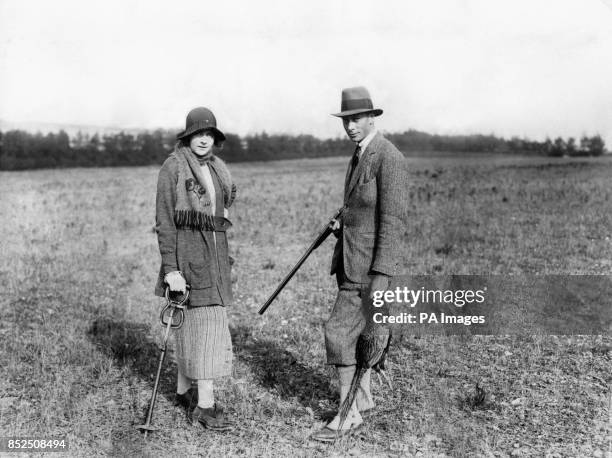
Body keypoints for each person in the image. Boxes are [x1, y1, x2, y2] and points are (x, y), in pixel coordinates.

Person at [311, 87, 405, 441]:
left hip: (370, 269)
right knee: (362, 333)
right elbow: (361, 207)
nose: (350, 126)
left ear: (371, 118)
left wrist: (382, 275)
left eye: (356, 119)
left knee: (338, 331)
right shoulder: (360, 154)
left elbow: (392, 222)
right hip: (350, 260)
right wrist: (342, 222)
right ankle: (362, 399)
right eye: (345, 120)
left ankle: (348, 414)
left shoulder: (388, 158)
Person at [154, 106, 237, 432]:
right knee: (205, 332)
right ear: (188, 138)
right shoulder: (172, 168)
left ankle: (182, 392)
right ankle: (205, 406)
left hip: (213, 260)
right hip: (187, 262)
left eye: (209, 135)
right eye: (198, 135)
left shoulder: (217, 169)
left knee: (193, 328)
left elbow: (221, 212)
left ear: (215, 139)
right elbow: (164, 223)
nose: (204, 140)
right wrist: (171, 270)